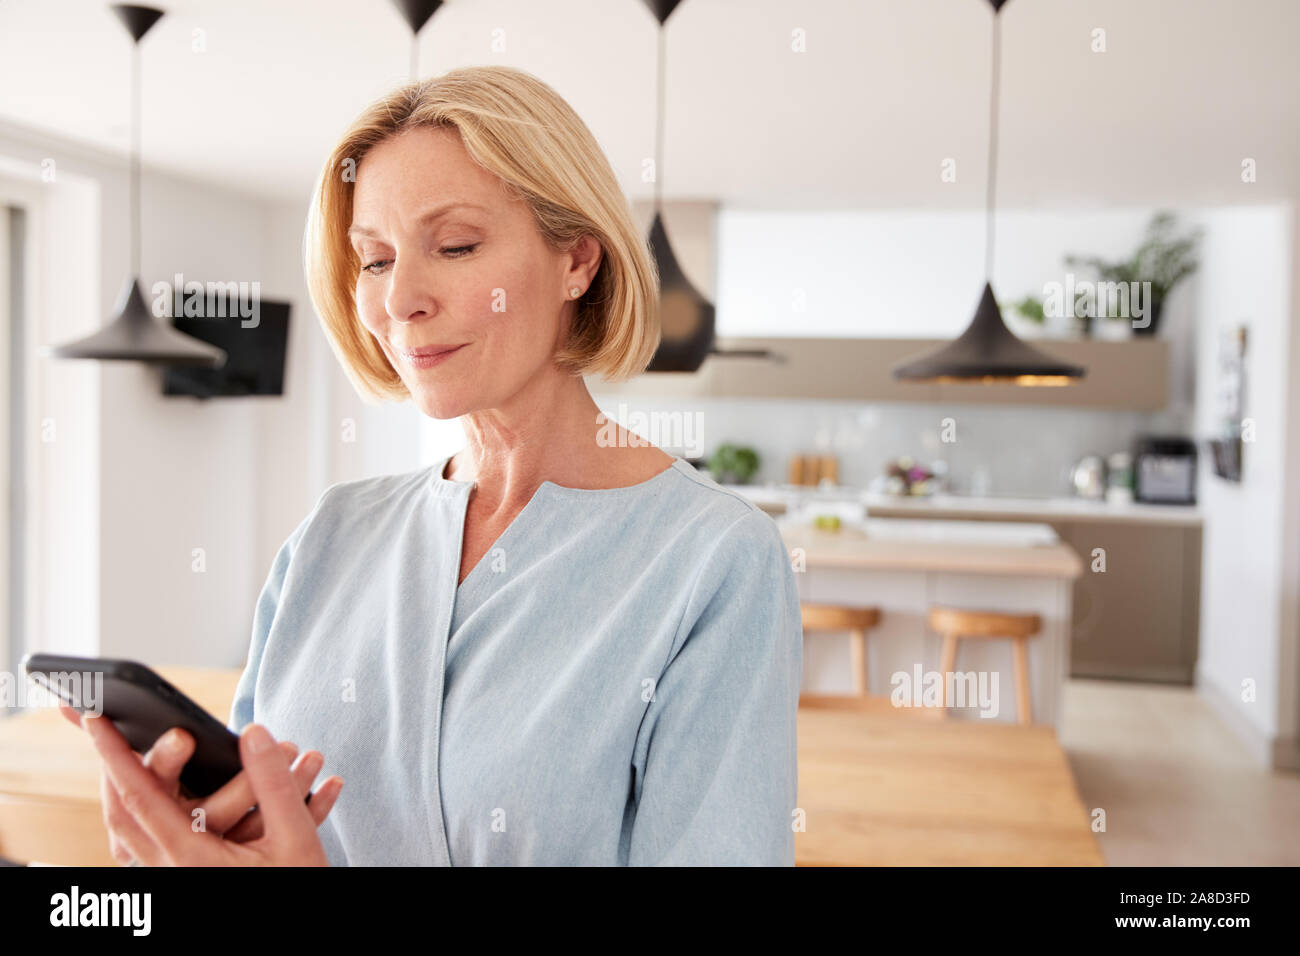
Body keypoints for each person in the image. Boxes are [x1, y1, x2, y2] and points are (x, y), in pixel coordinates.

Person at [76, 65, 802, 866]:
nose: (400, 300)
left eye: (454, 245)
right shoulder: (331, 535)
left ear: (578, 263)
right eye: (376, 261)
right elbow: (259, 813)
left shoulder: (714, 560)